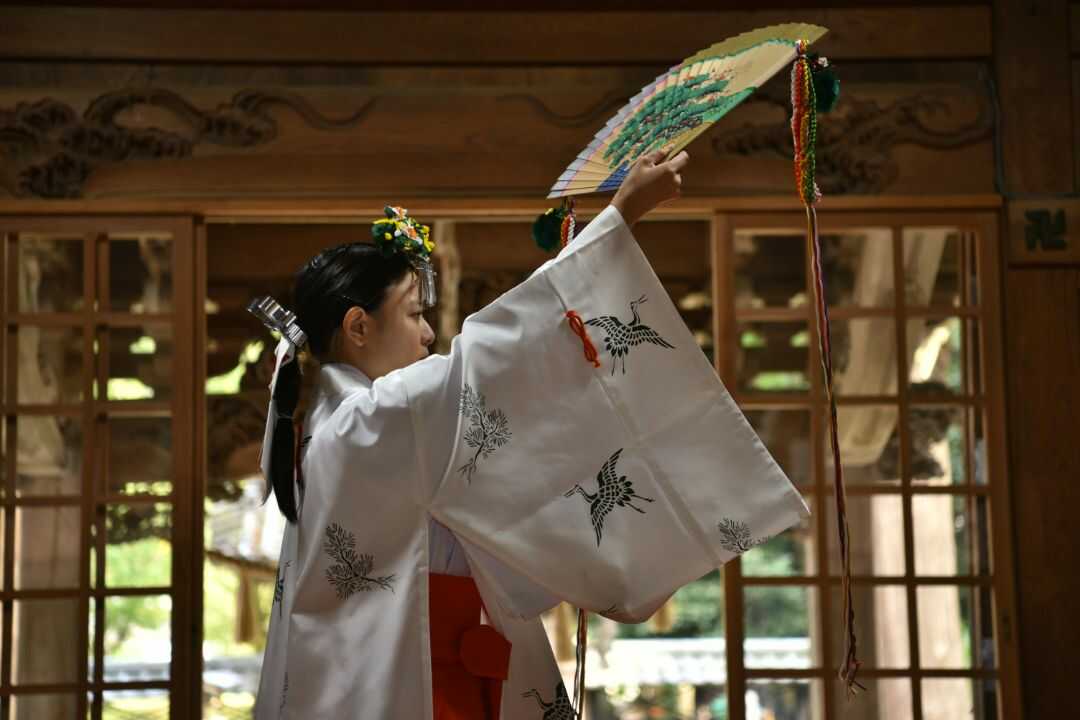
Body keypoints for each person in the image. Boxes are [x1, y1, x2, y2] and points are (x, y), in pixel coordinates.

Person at [251, 150, 808, 719]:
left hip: (378, 675)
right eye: (414, 313)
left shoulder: (318, 420)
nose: (425, 335)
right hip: (421, 678)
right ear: (358, 326)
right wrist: (621, 216)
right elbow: (498, 355)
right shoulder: (370, 420)